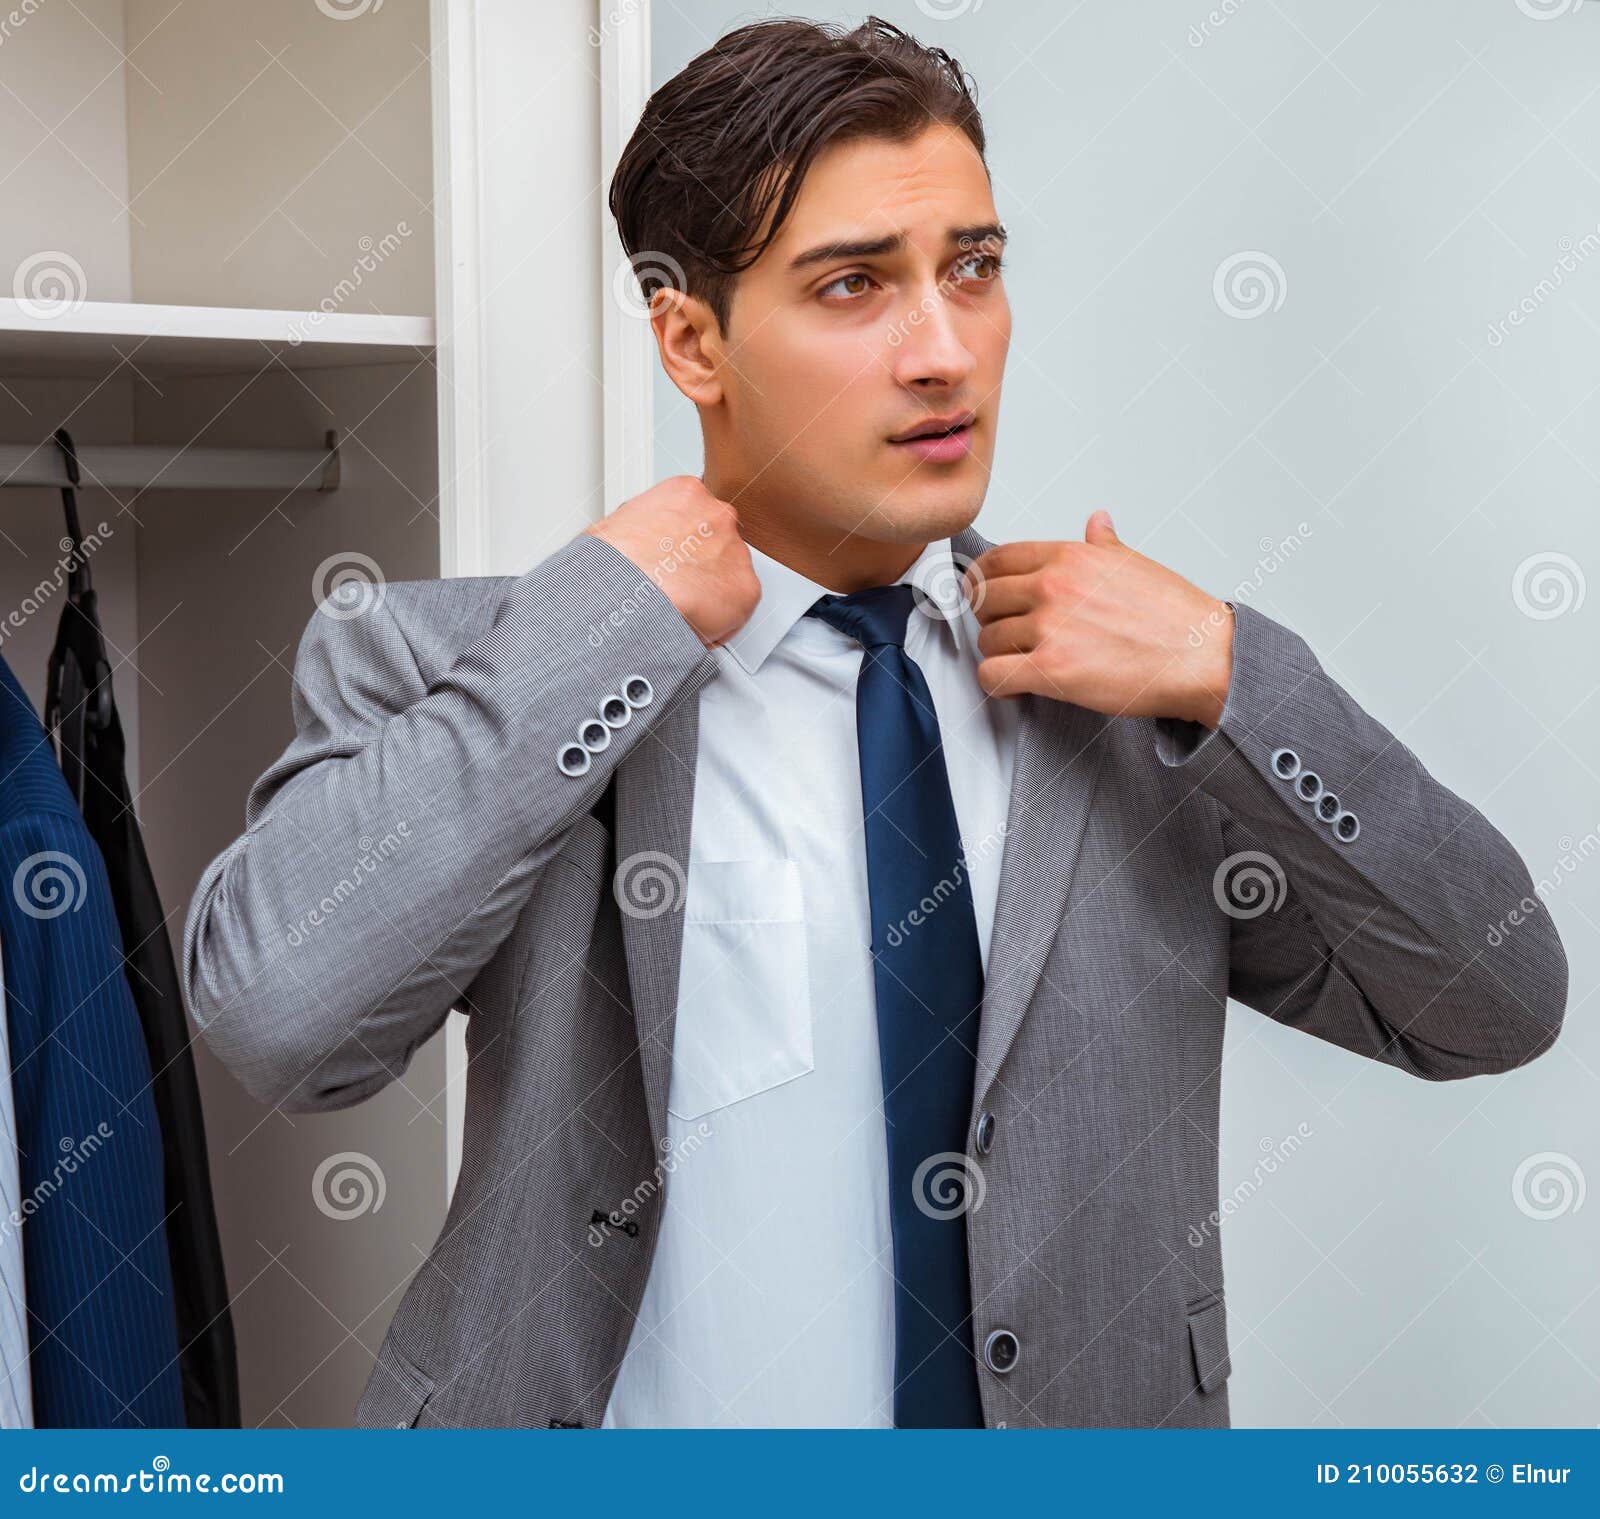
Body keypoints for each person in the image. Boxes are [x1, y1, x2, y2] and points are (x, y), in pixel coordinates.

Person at [182, 15, 1566, 1430]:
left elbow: (1491, 1003)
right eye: (854, 287)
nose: (943, 351)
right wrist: (597, 624)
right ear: (691, 340)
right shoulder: (463, 666)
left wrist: (1234, 676)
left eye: (973, 269)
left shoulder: (1131, 699)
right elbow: (287, 1026)